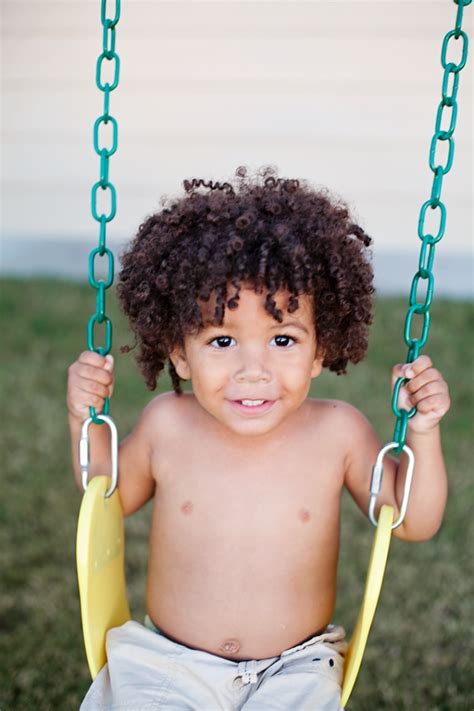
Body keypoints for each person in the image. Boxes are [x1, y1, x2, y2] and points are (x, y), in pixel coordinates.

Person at [67, 166, 450, 710]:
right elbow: (105, 491)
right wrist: (84, 417)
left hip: (294, 667)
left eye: (283, 339)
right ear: (180, 352)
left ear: (321, 349)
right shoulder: (167, 425)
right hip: (168, 661)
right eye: (222, 340)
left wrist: (423, 432)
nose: (254, 369)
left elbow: (413, 519)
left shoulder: (337, 431)